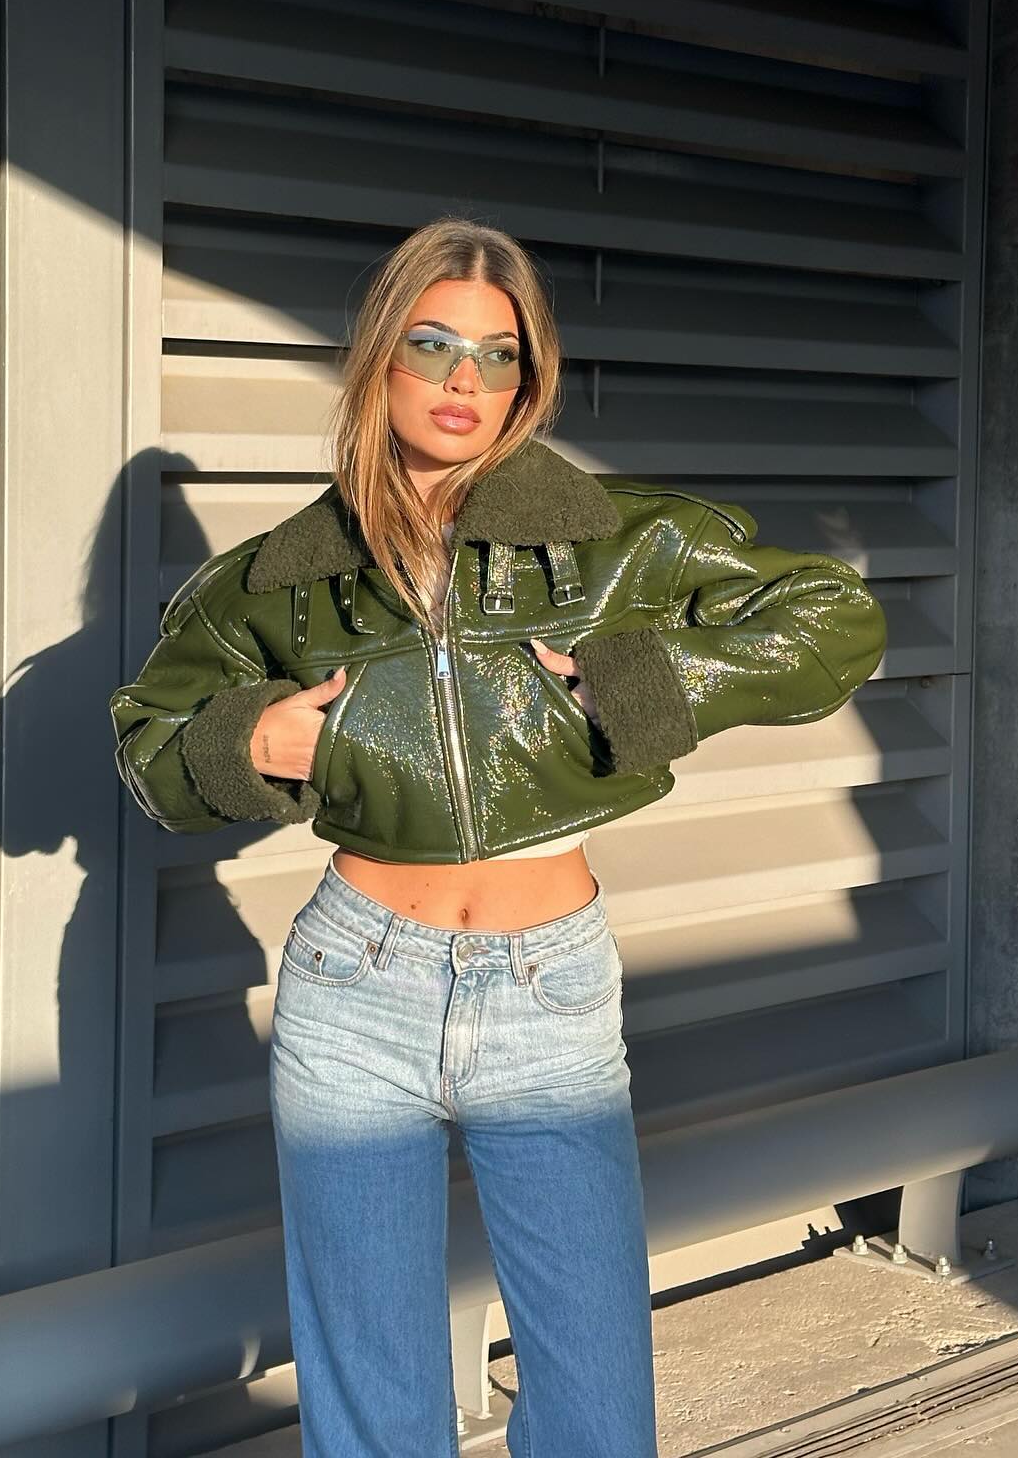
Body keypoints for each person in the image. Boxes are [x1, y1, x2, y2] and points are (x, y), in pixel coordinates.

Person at [109, 216, 888, 1457]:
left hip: (547, 988)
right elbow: (150, 745)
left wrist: (634, 685)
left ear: (529, 379)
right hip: (354, 990)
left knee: (597, 1410)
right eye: (432, 344)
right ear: (380, 358)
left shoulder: (608, 536)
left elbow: (832, 616)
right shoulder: (280, 579)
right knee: (373, 1407)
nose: (465, 379)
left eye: (498, 355)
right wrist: (252, 742)